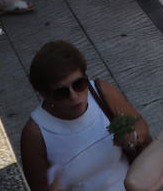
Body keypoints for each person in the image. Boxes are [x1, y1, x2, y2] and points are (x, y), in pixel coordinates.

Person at [20, 40, 147, 191]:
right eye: (62, 93)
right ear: (45, 96)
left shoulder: (101, 92)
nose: (74, 96)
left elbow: (140, 124)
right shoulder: (35, 134)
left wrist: (133, 136)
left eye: (79, 84)